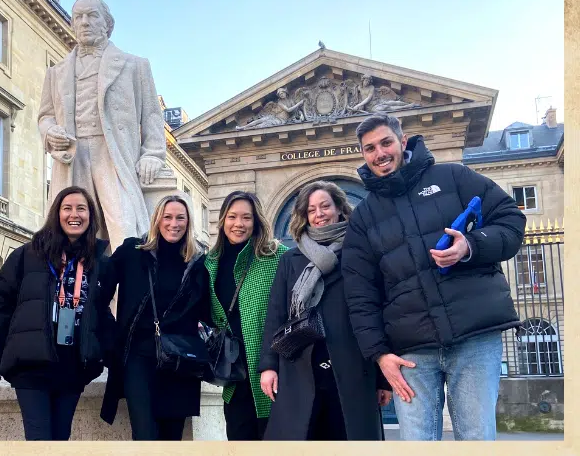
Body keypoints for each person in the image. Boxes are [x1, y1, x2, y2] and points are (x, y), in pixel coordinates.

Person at [341, 113, 526, 441]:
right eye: (370, 148)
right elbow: (360, 296)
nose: (379, 153)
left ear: (402, 140)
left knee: (476, 439)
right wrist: (379, 355)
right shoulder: (364, 217)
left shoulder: (454, 177)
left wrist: (469, 245)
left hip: (474, 337)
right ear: (363, 154)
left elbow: (511, 221)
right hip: (409, 352)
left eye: (386, 142)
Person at [0, 186, 116, 441]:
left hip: (73, 366)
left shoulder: (99, 263)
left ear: (90, 216)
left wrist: (111, 356)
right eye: (67, 208)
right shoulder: (28, 255)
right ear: (56, 214)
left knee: (61, 439)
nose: (75, 214)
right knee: (39, 439)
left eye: (81, 208)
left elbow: (100, 314)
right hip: (31, 364)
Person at [259, 181, 392, 440]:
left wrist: (382, 379)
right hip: (299, 369)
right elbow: (275, 314)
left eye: (325, 206)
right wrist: (268, 366)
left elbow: (377, 313)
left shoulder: (360, 254)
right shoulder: (291, 260)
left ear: (340, 209)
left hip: (353, 369)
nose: (319, 214)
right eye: (311, 210)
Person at [38, 0, 167, 251]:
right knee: (71, 231)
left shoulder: (135, 65)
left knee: (125, 227)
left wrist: (152, 154)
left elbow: (152, 115)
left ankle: (129, 288)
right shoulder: (56, 72)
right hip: (72, 157)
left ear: (108, 24)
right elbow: (45, 115)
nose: (84, 22)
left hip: (114, 153)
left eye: (91, 15)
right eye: (78, 17)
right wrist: (50, 132)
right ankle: (73, 287)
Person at [100, 195, 210, 440]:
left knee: (172, 439)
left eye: (180, 217)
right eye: (167, 217)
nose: (174, 223)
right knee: (145, 436)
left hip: (181, 361)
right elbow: (99, 294)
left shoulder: (199, 263)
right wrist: (111, 336)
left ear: (188, 222)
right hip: (140, 358)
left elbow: (210, 311)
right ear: (157, 220)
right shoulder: (132, 251)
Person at [204, 191, 288, 440]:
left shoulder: (276, 256)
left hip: (272, 371)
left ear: (257, 221)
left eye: (246, 218)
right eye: (232, 217)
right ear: (222, 221)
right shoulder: (210, 263)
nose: (238, 224)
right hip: (233, 374)